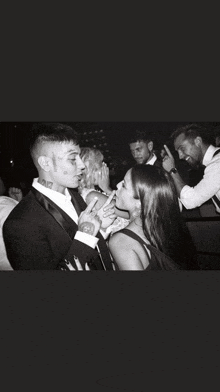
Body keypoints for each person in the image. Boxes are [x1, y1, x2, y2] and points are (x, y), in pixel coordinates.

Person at [3, 123, 117, 270]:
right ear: (45, 163)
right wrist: (86, 235)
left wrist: (99, 228)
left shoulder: (75, 196)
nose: (82, 165)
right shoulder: (20, 223)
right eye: (72, 159)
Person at [108, 165, 198, 270]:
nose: (118, 185)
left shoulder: (121, 241)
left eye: (124, 185)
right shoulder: (168, 227)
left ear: (139, 202)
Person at [162, 123, 220, 214]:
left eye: (182, 148)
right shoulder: (213, 163)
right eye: (178, 152)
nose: (180, 156)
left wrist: (172, 170)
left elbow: (191, 200)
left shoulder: (217, 164)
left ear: (198, 141)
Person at [78, 147, 130, 235]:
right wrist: (107, 189)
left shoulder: (89, 192)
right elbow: (130, 212)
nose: (105, 169)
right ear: (91, 170)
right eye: (101, 165)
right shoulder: (93, 196)